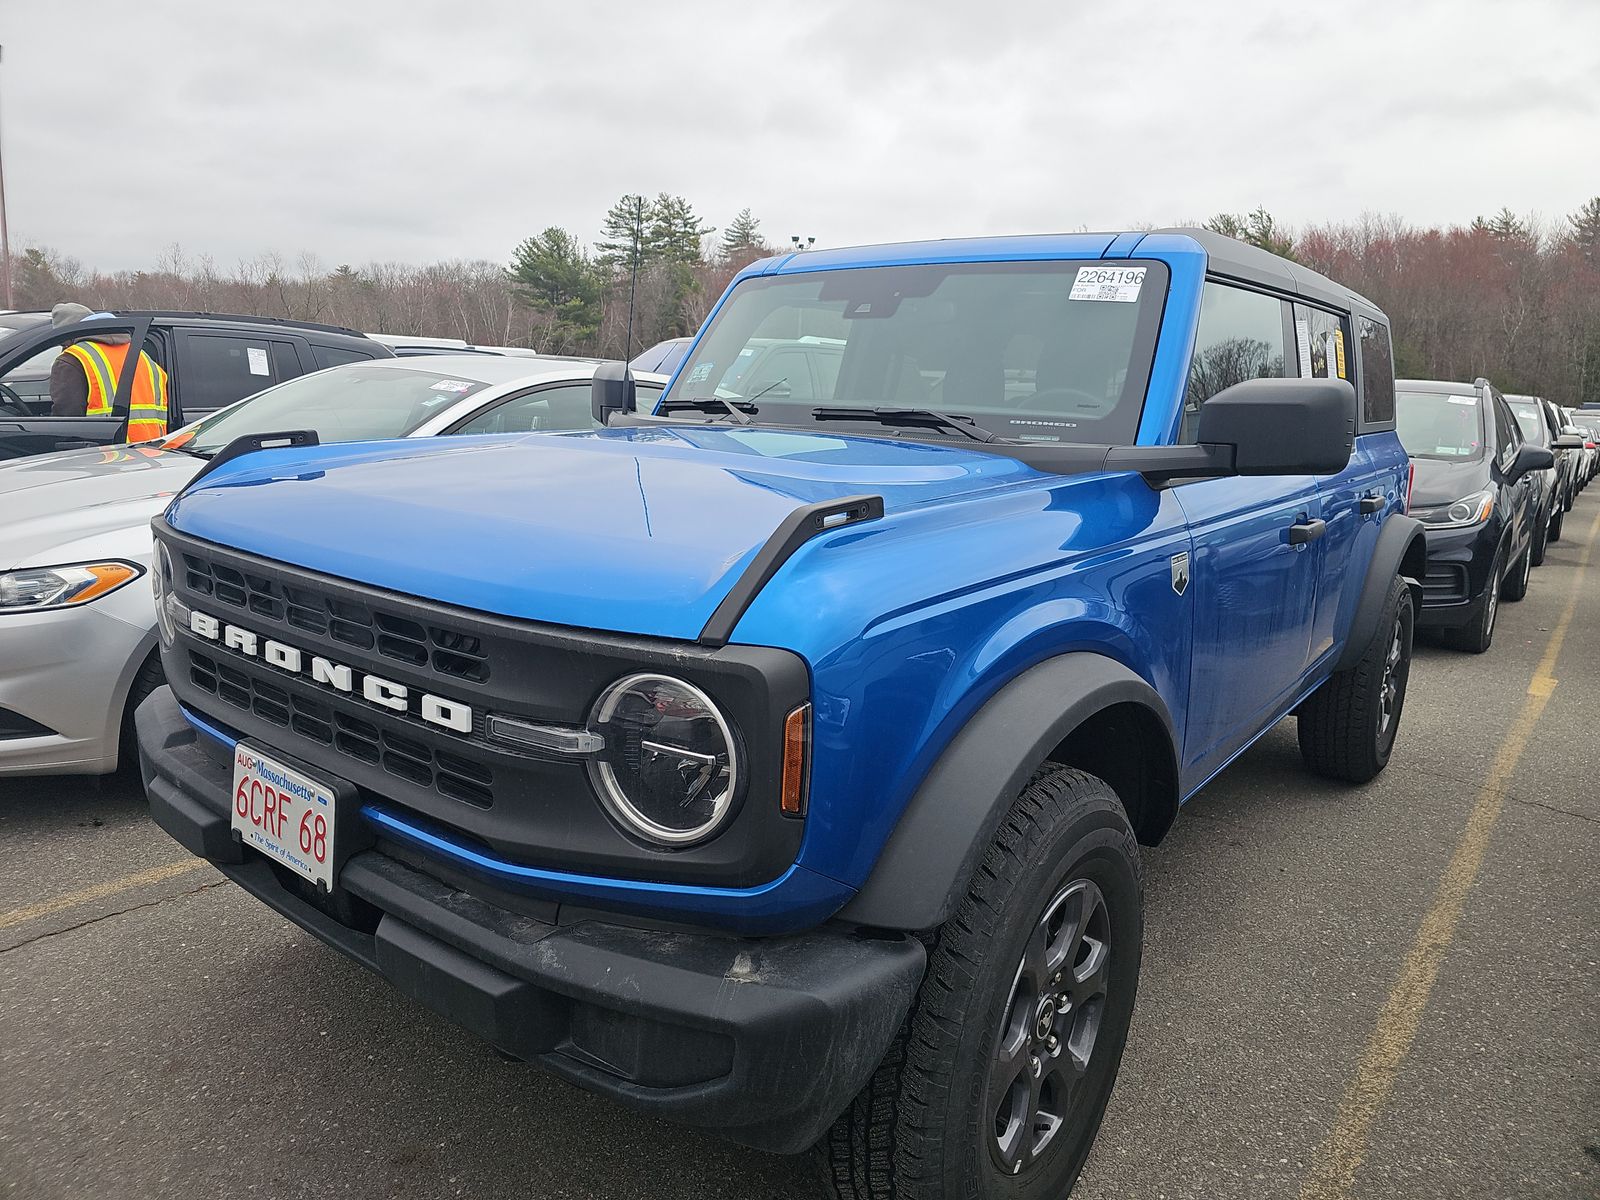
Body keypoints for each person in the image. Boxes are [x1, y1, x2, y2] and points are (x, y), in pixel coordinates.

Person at [48, 302, 169, 442]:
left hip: (104, 450)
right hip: (150, 449)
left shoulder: (73, 358)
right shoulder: (142, 356)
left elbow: (65, 421)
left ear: (67, 336)